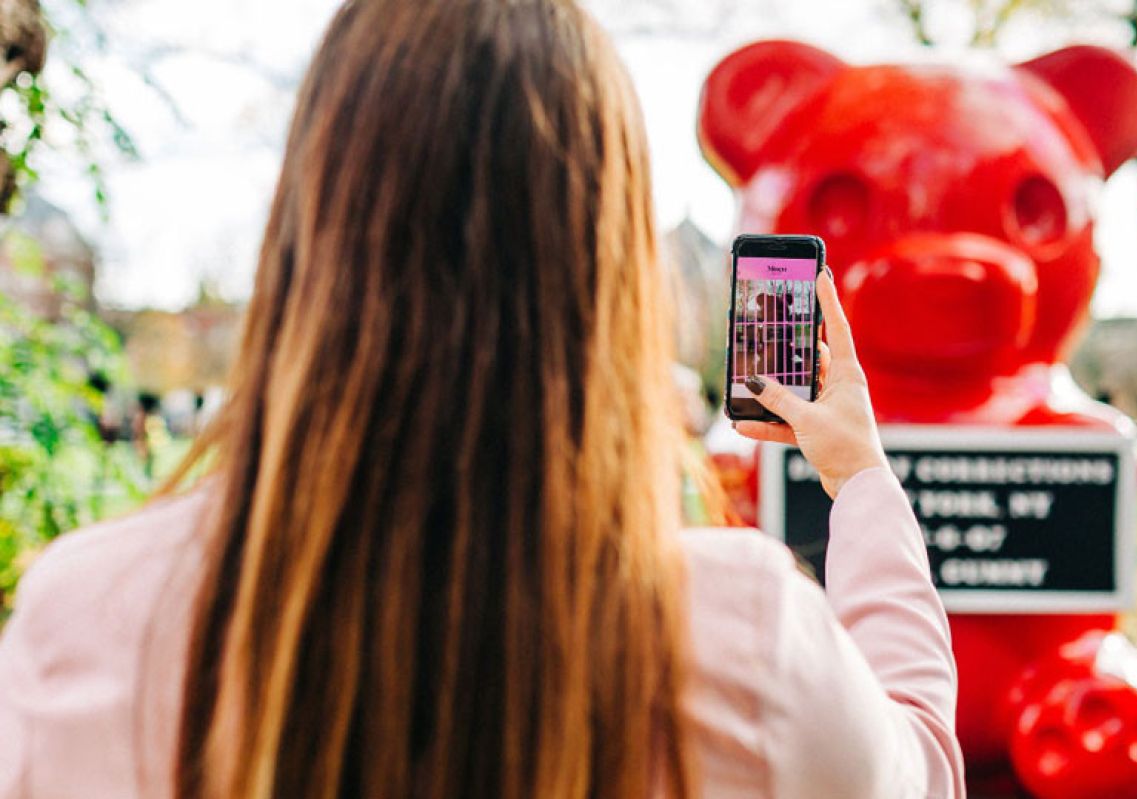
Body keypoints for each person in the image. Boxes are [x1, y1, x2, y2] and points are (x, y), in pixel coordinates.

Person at [0, 1, 964, 797]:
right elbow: (918, 762)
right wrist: (859, 473)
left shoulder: (82, 617)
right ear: (611, 275)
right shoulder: (746, 638)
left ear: (307, 242)